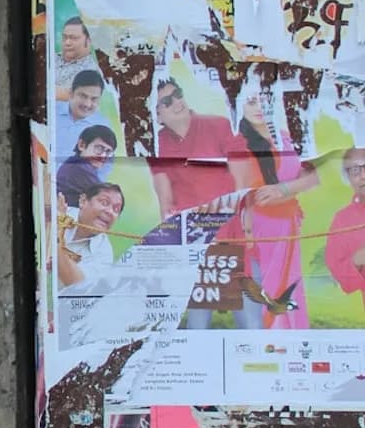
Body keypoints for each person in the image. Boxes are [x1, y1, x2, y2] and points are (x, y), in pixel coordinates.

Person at [212, 89, 318, 330]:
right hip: (259, 227)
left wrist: (285, 189)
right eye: (250, 102)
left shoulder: (287, 137)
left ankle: (295, 346)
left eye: (264, 101)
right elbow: (240, 194)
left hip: (288, 224)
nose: (259, 107)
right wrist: (247, 234)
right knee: (270, 290)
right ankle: (273, 346)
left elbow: (313, 177)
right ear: (238, 106)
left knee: (292, 287)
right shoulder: (238, 144)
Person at [147, 77, 238, 219]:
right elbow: (166, 204)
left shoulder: (220, 125)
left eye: (177, 94)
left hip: (227, 218)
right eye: (167, 102)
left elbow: (243, 180)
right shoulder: (155, 143)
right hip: (191, 228)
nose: (177, 102)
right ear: (157, 116)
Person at [56, 182, 124, 288]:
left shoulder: (104, 254)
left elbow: (77, 284)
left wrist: (56, 231)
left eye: (116, 209)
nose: (110, 212)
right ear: (83, 201)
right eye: (104, 202)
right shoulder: (58, 212)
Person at [326, 147, 365, 314]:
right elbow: (338, 270)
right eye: (355, 170)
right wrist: (356, 260)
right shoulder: (343, 220)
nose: (363, 176)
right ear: (347, 177)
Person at [56, 124, 115, 207]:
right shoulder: (80, 167)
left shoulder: (76, 162)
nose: (103, 156)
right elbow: (107, 196)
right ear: (82, 145)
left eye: (108, 152)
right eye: (99, 148)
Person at [54, 69, 107, 159]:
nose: (87, 104)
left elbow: (106, 164)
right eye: (83, 96)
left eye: (94, 99)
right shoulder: (51, 111)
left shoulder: (103, 125)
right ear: (71, 93)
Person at [55, 16, 100, 102]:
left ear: (88, 41)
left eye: (74, 38)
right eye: (64, 37)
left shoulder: (91, 71)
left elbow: (69, 95)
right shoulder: (52, 58)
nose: (67, 43)